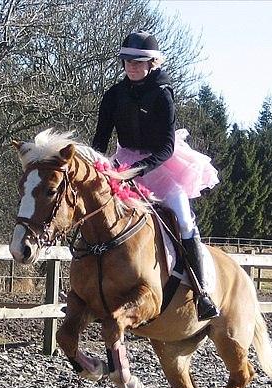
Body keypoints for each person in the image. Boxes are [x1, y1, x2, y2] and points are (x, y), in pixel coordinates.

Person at [91, 31, 220, 321]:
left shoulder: (162, 93)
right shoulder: (113, 95)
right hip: (122, 161)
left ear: (152, 64)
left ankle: (202, 293)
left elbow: (166, 147)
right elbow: (100, 140)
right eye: (128, 61)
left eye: (139, 62)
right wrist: (98, 167)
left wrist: (139, 170)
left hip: (161, 164)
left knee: (184, 218)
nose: (132, 67)